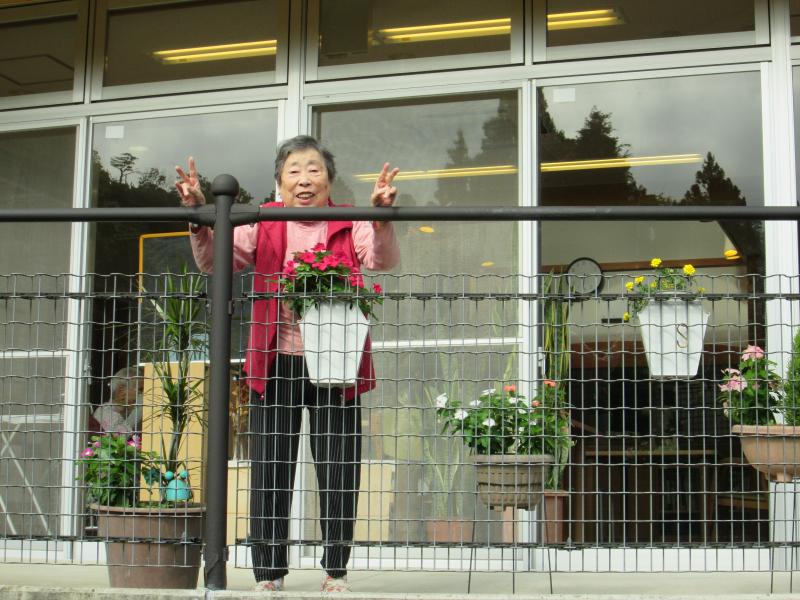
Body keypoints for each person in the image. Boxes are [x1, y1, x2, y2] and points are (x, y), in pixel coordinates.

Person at [176, 135, 400, 593]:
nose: (304, 179)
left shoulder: (348, 220)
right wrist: (201, 218)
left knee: (339, 469)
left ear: (329, 180)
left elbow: (381, 259)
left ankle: (335, 571)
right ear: (279, 181)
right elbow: (215, 260)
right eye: (294, 170)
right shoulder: (265, 222)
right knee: (271, 471)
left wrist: (379, 215)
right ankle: (269, 574)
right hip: (276, 362)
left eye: (314, 169)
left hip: (336, 364)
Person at [89, 367, 144, 436]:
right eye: (140, 390)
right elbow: (117, 439)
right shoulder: (106, 411)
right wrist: (139, 410)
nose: (142, 395)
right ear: (121, 390)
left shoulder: (125, 411)